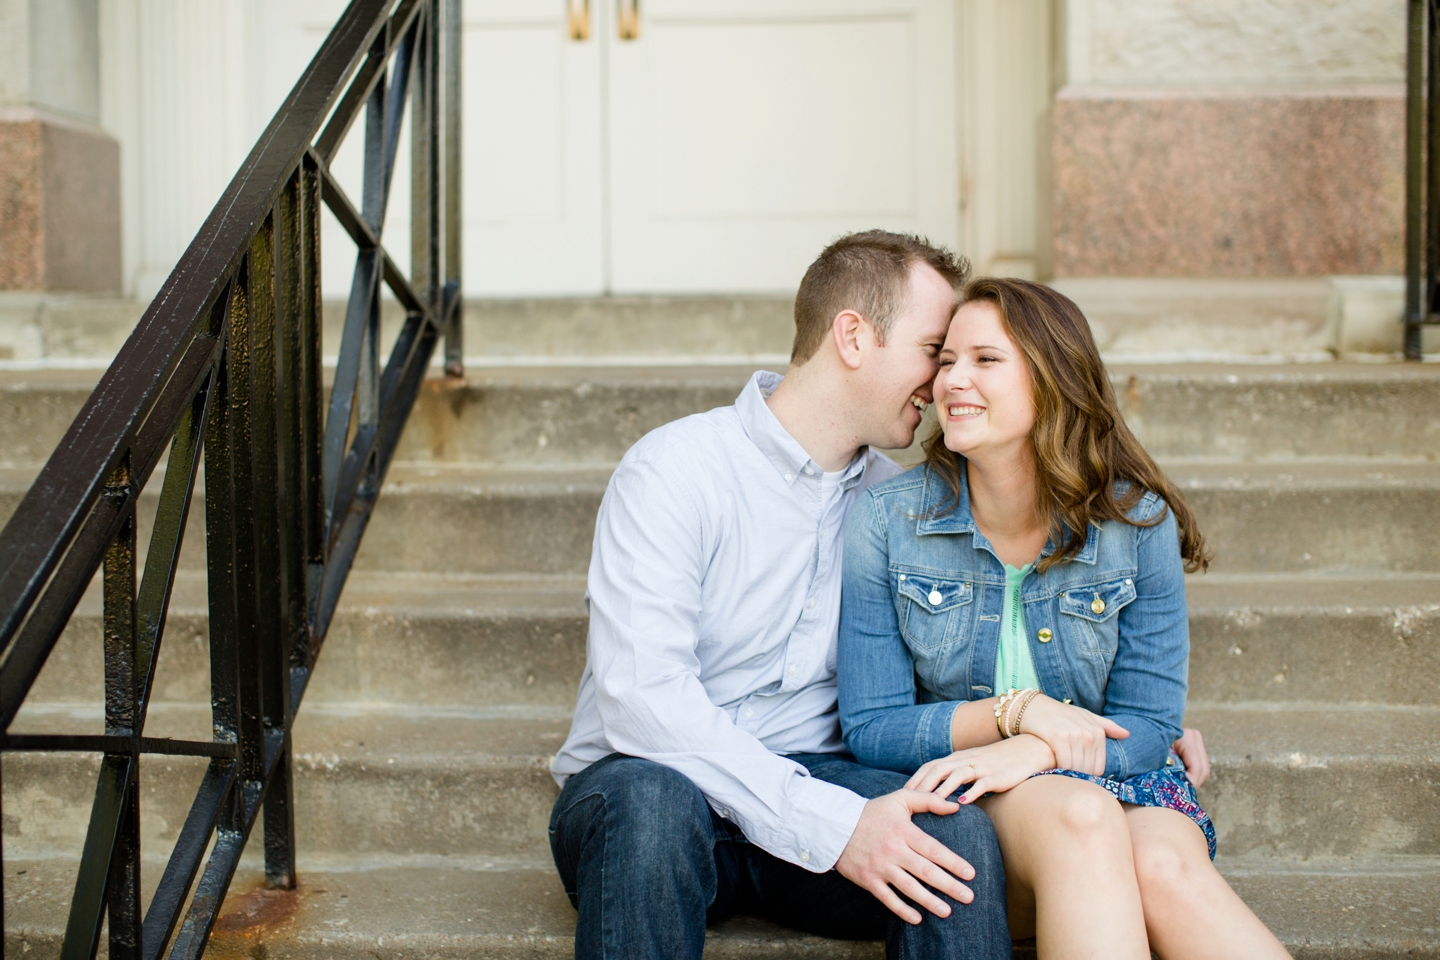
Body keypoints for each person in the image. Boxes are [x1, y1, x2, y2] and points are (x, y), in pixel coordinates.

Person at [548, 231, 1014, 960]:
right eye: (934, 350)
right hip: (651, 789)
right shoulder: (675, 471)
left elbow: (969, 666)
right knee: (650, 805)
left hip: (815, 777)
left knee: (951, 834)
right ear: (853, 337)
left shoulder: (903, 508)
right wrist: (831, 824)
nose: (946, 380)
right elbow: (641, 699)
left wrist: (1115, 718)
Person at [837, 277, 1289, 959]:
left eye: (986, 360)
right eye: (948, 359)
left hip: (1124, 775)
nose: (953, 380)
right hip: (985, 796)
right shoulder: (888, 521)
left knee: (1161, 867)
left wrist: (1040, 746)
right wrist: (1014, 717)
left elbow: (1150, 723)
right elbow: (872, 728)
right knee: (1081, 816)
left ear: (1055, 380)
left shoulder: (1136, 522)